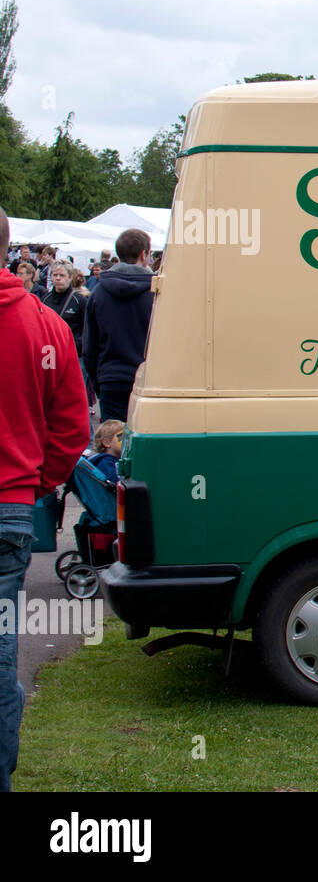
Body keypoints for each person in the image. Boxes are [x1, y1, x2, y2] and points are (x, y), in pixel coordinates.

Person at [0, 206, 89, 792]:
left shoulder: (46, 318)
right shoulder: (44, 324)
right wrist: (39, 481)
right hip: (9, 506)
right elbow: (71, 426)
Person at [82, 229, 156, 423]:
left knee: (114, 445)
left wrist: (99, 383)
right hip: (147, 380)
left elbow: (89, 347)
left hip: (111, 380)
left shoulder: (98, 294)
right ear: (144, 254)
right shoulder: (156, 295)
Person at [42, 261, 87, 361]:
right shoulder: (45, 299)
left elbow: (86, 329)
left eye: (62, 275)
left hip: (72, 354)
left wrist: (76, 346)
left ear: (70, 277)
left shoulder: (79, 300)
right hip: (49, 354)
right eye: (55, 275)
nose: (58, 278)